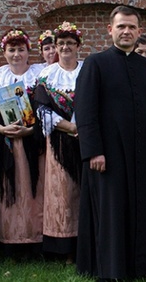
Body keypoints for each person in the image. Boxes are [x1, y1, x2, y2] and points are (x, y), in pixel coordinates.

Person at [74, 6, 146, 279]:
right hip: (109, 154)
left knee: (145, 207)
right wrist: (94, 151)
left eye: (131, 27)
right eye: (121, 27)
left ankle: (145, 265)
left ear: (140, 32)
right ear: (110, 30)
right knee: (113, 211)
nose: (126, 31)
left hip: (145, 153)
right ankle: (112, 267)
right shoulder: (96, 63)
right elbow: (85, 110)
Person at [0, 29, 44, 258]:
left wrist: (30, 130)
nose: (16, 54)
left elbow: (45, 109)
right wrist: (1, 128)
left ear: (28, 52)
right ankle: (11, 239)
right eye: (12, 50)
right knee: (10, 191)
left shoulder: (38, 75)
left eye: (21, 49)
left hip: (32, 143)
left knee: (33, 191)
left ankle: (35, 239)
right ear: (4, 53)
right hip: (7, 143)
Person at [34, 22, 83, 262]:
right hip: (59, 140)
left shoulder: (87, 70)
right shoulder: (47, 74)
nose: (64, 47)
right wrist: (68, 126)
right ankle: (63, 248)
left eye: (69, 43)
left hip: (85, 139)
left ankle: (85, 244)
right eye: (60, 43)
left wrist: (81, 126)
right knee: (62, 193)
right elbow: (41, 108)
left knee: (83, 192)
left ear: (77, 47)